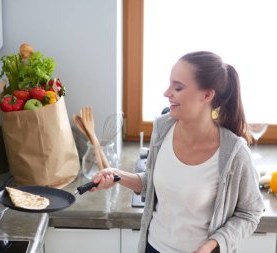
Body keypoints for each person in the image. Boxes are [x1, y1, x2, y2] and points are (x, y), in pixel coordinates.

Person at [91, 51, 264, 253]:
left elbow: (250, 212)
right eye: (169, 84)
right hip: (152, 248)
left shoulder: (234, 152)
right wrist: (117, 175)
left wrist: (213, 245)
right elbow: (155, 183)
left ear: (207, 95)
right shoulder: (162, 129)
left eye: (178, 87)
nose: (167, 93)